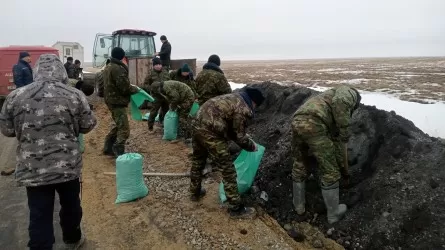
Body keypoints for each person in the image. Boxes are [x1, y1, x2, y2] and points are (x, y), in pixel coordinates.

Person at [0, 54, 97, 249]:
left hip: (33, 169)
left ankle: (40, 245)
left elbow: (7, 130)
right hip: (67, 167)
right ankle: (72, 239)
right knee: (71, 206)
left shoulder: (15, 96)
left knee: (39, 213)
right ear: (61, 70)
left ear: (36, 71)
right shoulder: (74, 95)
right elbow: (87, 125)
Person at [189, 87, 265, 219]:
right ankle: (236, 209)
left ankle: (195, 192)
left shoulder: (232, 98)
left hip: (196, 126)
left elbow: (229, 127)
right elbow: (239, 136)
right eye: (256, 106)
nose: (255, 108)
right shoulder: (243, 108)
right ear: (254, 102)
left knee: (198, 160)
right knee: (228, 170)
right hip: (211, 132)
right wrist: (252, 147)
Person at [291, 85, 361, 224]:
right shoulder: (349, 92)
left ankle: (299, 206)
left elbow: (336, 147)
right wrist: (344, 130)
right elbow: (340, 101)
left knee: (300, 163)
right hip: (315, 123)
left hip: (297, 122)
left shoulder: (327, 99)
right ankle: (333, 214)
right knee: (330, 171)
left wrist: (344, 169)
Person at [103, 47, 139, 156]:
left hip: (110, 100)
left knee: (119, 124)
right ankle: (119, 152)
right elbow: (124, 88)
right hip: (117, 101)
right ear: (122, 56)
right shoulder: (118, 69)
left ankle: (108, 147)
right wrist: (135, 89)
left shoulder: (108, 66)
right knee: (124, 129)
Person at [144, 57, 170, 131]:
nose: (158, 66)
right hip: (156, 96)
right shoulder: (150, 74)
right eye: (156, 65)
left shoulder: (165, 72)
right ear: (153, 66)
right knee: (154, 112)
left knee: (165, 111)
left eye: (159, 64)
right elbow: (145, 84)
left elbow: (170, 82)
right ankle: (150, 127)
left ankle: (163, 124)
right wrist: (151, 89)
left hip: (165, 96)